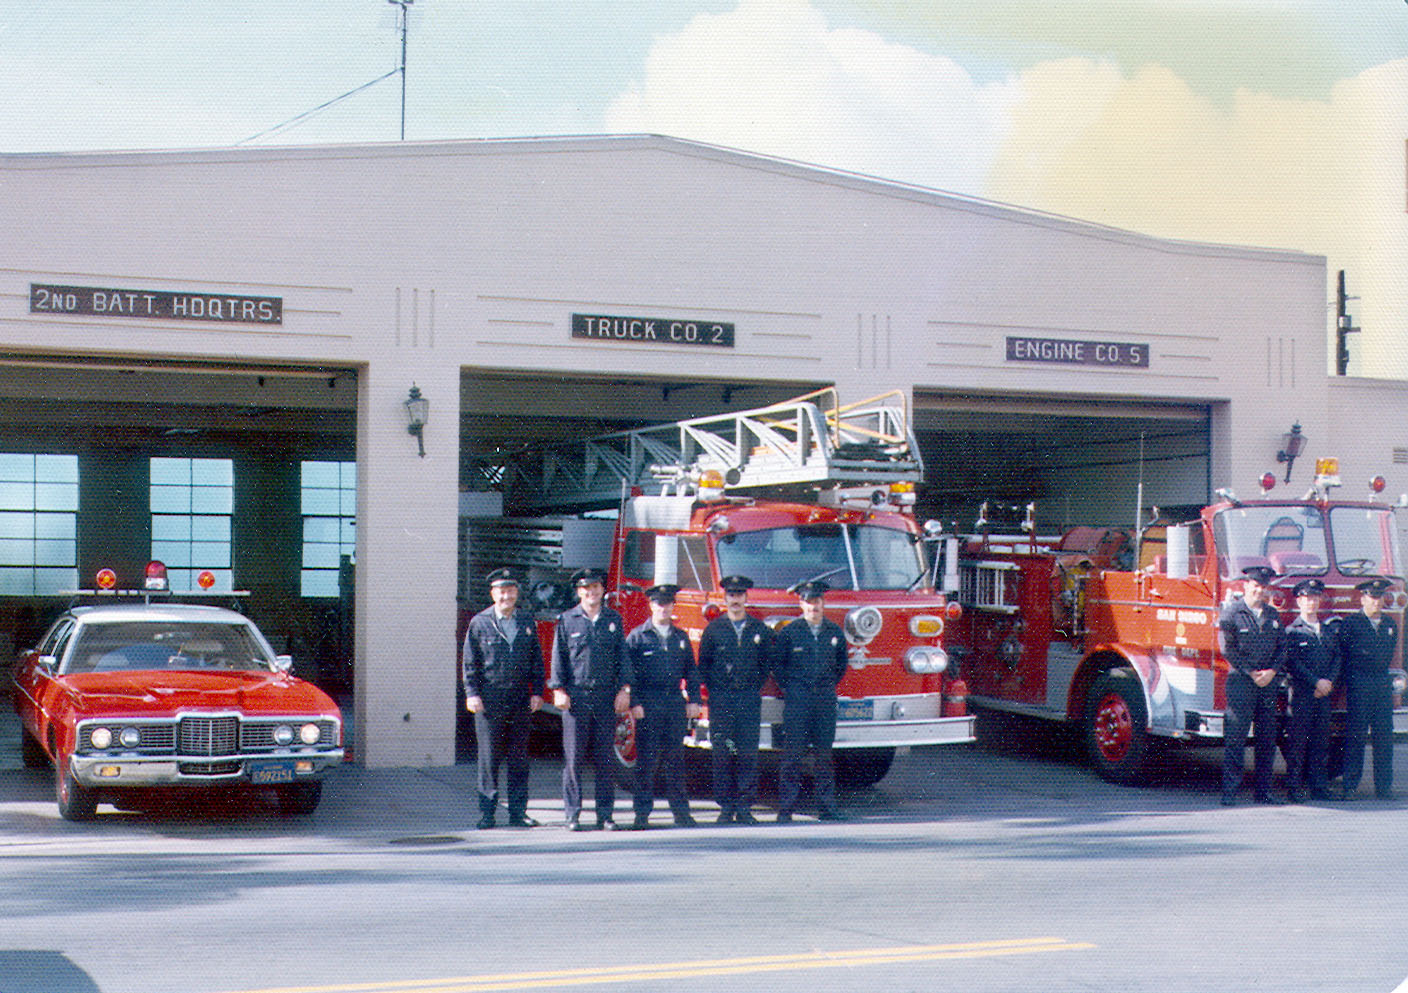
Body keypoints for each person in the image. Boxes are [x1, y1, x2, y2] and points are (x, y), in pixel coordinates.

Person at [549, 567, 632, 830]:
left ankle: (605, 815)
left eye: (596, 587)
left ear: (602, 590)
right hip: (577, 698)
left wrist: (624, 690)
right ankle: (572, 814)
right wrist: (558, 689)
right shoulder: (566, 620)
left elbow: (623, 658)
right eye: (586, 588)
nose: (592, 592)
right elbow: (558, 658)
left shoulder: (613, 620)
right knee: (573, 759)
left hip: (606, 698)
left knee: (605, 758)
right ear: (579, 592)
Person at [462, 568, 544, 829]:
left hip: (520, 700)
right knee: (489, 760)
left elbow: (537, 662)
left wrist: (538, 692)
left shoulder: (527, 622)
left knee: (519, 759)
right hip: (490, 700)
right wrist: (472, 693)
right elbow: (469, 662)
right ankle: (487, 814)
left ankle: (518, 813)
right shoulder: (480, 622)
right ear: (493, 594)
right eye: (501, 591)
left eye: (511, 591)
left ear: (517, 593)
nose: (506, 596)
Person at [624, 584, 701, 829]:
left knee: (676, 761)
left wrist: (694, 699)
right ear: (651, 605)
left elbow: (691, 670)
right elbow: (628, 673)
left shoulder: (680, 637)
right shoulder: (637, 636)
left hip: (674, 704)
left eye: (668, 603)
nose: (663, 607)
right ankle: (642, 814)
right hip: (648, 703)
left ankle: (681, 813)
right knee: (647, 762)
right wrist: (634, 703)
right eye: (659, 603)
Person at [771, 579, 849, 822]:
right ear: (801, 604)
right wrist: (794, 688)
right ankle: (786, 809)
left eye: (817, 601)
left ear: (823, 603)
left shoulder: (834, 632)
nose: (813, 606)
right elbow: (778, 667)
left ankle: (827, 807)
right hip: (798, 700)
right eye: (808, 601)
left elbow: (841, 666)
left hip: (824, 700)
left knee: (824, 756)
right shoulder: (789, 633)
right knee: (792, 756)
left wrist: (824, 686)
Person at [696, 575, 771, 824]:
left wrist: (750, 688)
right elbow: (703, 666)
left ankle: (745, 807)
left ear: (746, 598)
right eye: (731, 595)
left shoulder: (759, 630)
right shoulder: (714, 630)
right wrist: (718, 691)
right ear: (725, 598)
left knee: (748, 753)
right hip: (722, 701)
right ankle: (726, 807)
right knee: (723, 753)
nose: (735, 600)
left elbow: (765, 665)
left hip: (748, 700)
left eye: (739, 595)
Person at [1217, 565, 1285, 805]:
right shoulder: (1232, 613)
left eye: (1263, 587)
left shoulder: (1272, 615)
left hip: (1268, 684)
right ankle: (1230, 792)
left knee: (1267, 740)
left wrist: (1272, 672)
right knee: (1236, 738)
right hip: (1241, 683)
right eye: (1255, 586)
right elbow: (1227, 649)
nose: (1259, 590)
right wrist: (1251, 672)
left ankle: (1263, 792)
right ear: (1246, 586)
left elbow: (1282, 648)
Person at [1336, 577, 1399, 800]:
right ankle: (1350, 786)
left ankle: (1384, 787)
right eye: (1372, 597)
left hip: (1382, 684)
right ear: (1362, 599)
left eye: (1380, 597)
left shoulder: (1390, 625)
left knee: (1384, 737)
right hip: (1359, 683)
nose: (1376, 602)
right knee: (1356, 736)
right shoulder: (1351, 624)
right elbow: (1342, 654)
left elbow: (1389, 653)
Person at [1282, 578, 1339, 802]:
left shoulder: (1327, 630)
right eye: (1306, 599)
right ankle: (1294, 789)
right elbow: (1293, 664)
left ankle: (1319, 787)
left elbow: (1337, 658)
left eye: (1315, 598)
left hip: (1323, 695)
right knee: (1297, 744)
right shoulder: (1292, 632)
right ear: (1298, 601)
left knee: (1320, 743)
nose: (1311, 603)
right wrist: (1316, 682)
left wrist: (1328, 682)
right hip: (1301, 696)